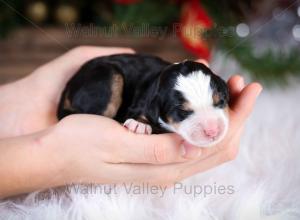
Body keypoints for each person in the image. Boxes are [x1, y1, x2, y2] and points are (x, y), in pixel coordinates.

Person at [0, 46, 262, 198]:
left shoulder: (170, 96)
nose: (211, 127)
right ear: (157, 108)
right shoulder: (151, 100)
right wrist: (140, 120)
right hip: (100, 78)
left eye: (218, 103)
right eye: (185, 112)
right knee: (110, 82)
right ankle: (85, 116)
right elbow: (141, 106)